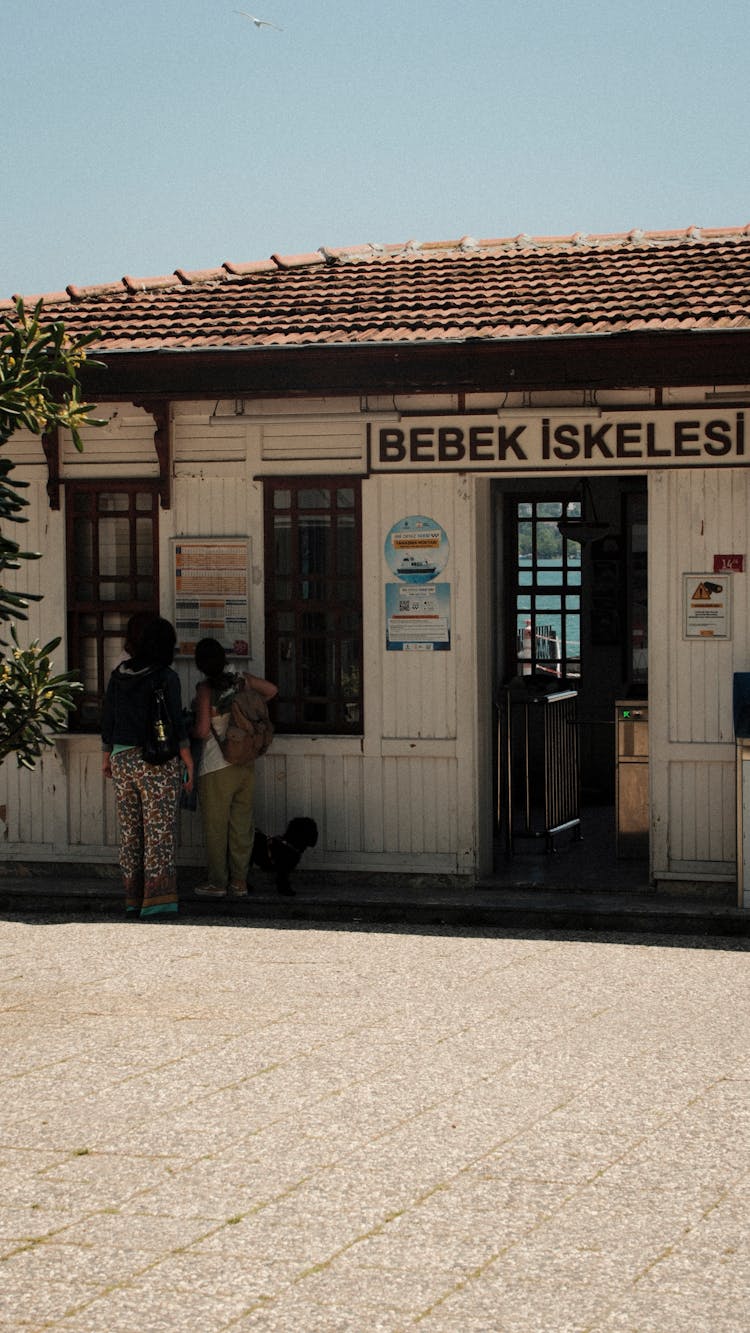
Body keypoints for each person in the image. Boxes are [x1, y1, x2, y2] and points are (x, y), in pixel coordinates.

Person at [101, 616, 194, 919]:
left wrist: (107, 755)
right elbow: (177, 725)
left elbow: (108, 718)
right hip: (156, 761)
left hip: (120, 758)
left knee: (130, 833)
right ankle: (157, 902)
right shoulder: (166, 677)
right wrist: (187, 759)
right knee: (158, 833)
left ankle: (132, 898)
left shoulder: (119, 674)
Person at [191, 637, 277, 899]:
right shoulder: (242, 680)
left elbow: (203, 730)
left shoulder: (206, 689)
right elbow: (272, 690)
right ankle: (239, 881)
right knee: (242, 823)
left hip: (216, 765)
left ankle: (217, 882)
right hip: (245, 760)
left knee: (216, 826)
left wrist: (190, 727)